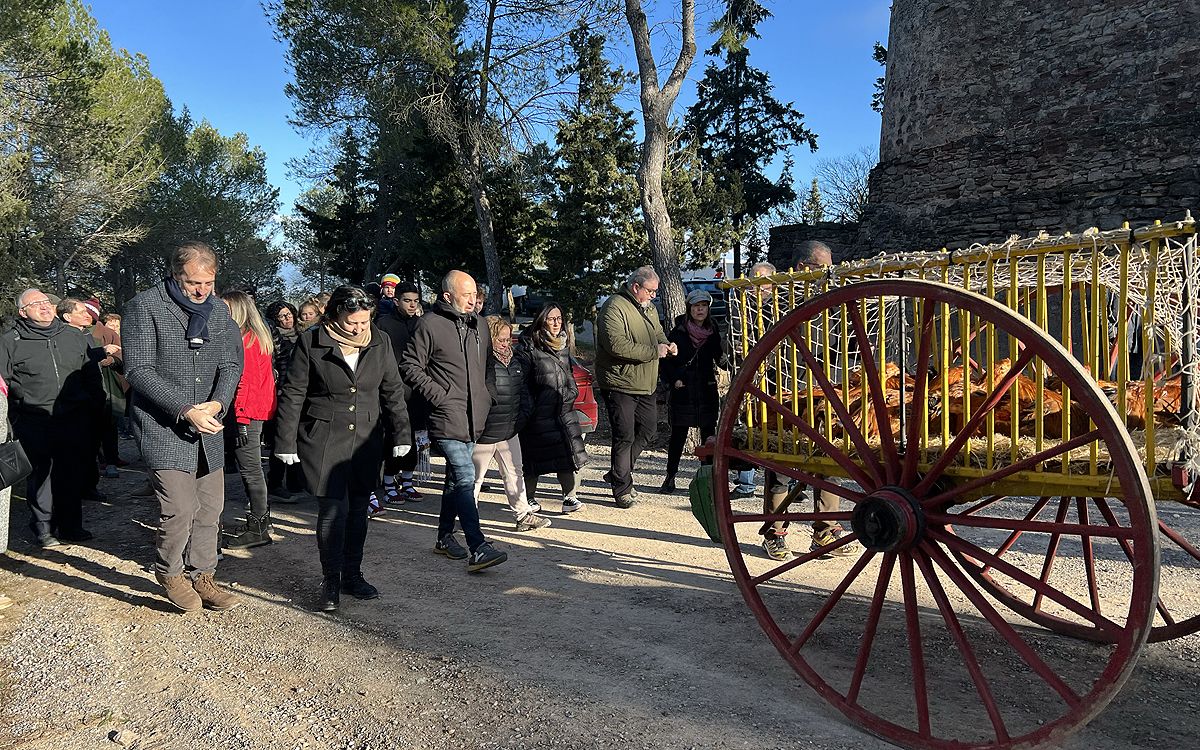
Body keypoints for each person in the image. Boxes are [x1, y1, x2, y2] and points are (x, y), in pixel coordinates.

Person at [274, 286, 411, 611]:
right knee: (333, 511)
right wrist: (285, 441)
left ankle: (353, 575)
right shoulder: (311, 341)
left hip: (365, 439)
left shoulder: (380, 342)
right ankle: (330, 581)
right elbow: (294, 393)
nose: (360, 329)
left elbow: (392, 390)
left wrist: (402, 434)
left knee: (358, 512)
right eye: (353, 323)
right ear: (335, 315)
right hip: (324, 438)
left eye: (365, 322)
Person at [124, 242, 244, 612]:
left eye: (208, 283)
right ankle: (170, 572)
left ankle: (203, 574)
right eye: (193, 283)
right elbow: (139, 371)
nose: (201, 291)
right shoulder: (144, 307)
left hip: (208, 425)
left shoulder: (219, 312)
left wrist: (219, 402)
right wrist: (184, 408)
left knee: (210, 508)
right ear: (175, 274)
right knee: (178, 508)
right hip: (165, 426)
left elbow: (230, 364)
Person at [398, 270, 508, 572]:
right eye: (467, 294)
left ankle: (444, 537)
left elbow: (488, 365)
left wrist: (489, 395)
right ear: (448, 296)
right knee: (464, 476)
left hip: (475, 416)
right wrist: (439, 395)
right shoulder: (429, 324)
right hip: (446, 415)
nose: (473, 300)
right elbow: (409, 365)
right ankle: (478, 546)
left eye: (475, 294)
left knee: (453, 480)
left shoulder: (480, 325)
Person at [0, 289, 105, 547]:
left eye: (46, 302)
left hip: (74, 416)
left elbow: (90, 373)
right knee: (41, 475)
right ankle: (43, 528)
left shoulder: (73, 335)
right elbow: (3, 382)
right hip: (33, 418)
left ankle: (71, 526)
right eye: (36, 304)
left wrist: (96, 404)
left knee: (71, 472)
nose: (44, 307)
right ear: (23, 312)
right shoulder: (10, 341)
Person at [594, 266, 675, 508]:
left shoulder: (648, 308)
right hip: (620, 382)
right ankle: (622, 488)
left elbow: (658, 333)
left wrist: (667, 344)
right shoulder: (613, 307)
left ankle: (618, 471)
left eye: (655, 292)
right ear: (635, 286)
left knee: (648, 429)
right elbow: (616, 346)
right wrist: (654, 352)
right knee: (625, 436)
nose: (653, 296)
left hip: (646, 383)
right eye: (650, 291)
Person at [473, 316, 549, 530]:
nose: (506, 344)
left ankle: (523, 514)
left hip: (509, 430)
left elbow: (523, 392)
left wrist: (522, 417)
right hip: (485, 433)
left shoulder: (514, 361)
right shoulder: (480, 362)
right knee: (474, 478)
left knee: (515, 472)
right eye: (501, 340)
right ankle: (467, 515)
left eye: (509, 339)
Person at [517, 303, 588, 514]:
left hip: (563, 409)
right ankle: (528, 498)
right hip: (538, 413)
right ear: (542, 320)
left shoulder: (563, 344)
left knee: (567, 455)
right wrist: (531, 408)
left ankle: (570, 497)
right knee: (532, 460)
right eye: (551, 319)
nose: (557, 323)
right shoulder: (528, 346)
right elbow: (522, 382)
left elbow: (567, 373)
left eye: (559, 318)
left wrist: (571, 392)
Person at [220, 291, 278, 549]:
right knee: (252, 469)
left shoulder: (247, 340)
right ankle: (261, 520)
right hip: (252, 411)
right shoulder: (256, 337)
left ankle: (259, 526)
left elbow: (246, 382)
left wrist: (241, 419)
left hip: (247, 412)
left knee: (251, 470)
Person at [660, 290, 729, 494]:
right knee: (678, 436)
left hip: (706, 388)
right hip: (685, 390)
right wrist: (675, 380)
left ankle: (707, 480)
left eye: (704, 305)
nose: (700, 309)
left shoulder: (713, 330)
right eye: (696, 306)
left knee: (709, 436)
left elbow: (719, 358)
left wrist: (730, 358)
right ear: (689, 309)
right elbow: (666, 363)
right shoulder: (678, 332)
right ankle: (670, 477)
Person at [374, 281, 427, 505]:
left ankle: (407, 480)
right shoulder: (383, 323)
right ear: (396, 301)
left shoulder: (422, 324)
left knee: (416, 437)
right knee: (394, 436)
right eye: (407, 300)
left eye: (416, 301)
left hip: (417, 390)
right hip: (392, 389)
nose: (412, 305)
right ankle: (388, 482)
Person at [265, 300, 303, 502]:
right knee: (281, 439)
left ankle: (297, 481)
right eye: (281, 316)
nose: (287, 319)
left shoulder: (303, 336)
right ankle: (276, 483)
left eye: (289, 314)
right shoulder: (275, 339)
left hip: (301, 391)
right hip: (280, 392)